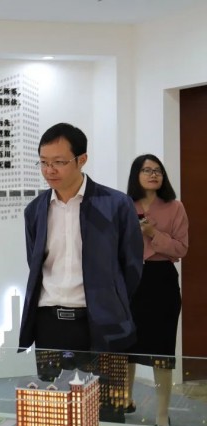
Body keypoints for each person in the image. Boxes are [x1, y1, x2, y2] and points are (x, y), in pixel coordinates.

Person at [18, 123, 143, 393]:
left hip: (102, 322)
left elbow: (132, 266)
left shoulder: (115, 205)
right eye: (43, 162)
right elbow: (34, 263)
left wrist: (112, 300)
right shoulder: (35, 210)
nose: (49, 170)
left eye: (59, 162)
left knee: (105, 405)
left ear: (82, 159)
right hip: (49, 323)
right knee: (55, 405)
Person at [124, 154, 188, 426]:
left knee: (162, 350)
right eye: (147, 170)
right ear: (136, 175)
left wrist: (152, 233)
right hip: (130, 280)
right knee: (126, 346)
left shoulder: (175, 207)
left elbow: (181, 249)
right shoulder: (124, 206)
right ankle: (125, 399)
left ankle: (162, 414)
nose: (153, 174)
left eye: (158, 170)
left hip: (161, 281)